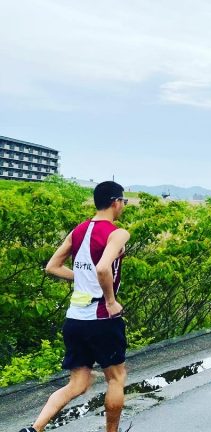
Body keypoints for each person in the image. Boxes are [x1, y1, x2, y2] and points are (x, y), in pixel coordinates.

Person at [19, 181, 130, 432]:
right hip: (102, 319)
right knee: (116, 378)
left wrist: (80, 278)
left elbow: (52, 267)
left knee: (78, 384)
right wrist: (111, 302)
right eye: (123, 201)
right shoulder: (117, 233)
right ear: (115, 202)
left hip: (75, 320)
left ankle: (34, 428)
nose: (123, 206)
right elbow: (102, 268)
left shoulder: (78, 230)